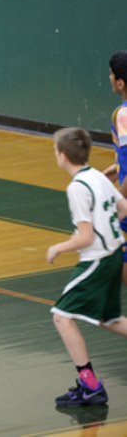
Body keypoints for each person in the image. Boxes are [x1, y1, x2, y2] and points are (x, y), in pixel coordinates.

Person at [47, 127, 127, 407]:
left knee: (62, 317)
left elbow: (86, 237)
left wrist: (58, 247)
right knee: (108, 318)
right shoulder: (97, 176)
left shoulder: (78, 187)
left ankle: (90, 387)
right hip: (115, 253)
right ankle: (89, 386)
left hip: (98, 259)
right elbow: (123, 209)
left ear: (62, 155)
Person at [103, 50, 127, 286]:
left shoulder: (123, 115)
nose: (109, 78)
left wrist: (119, 199)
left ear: (121, 83)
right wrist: (119, 166)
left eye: (111, 74)